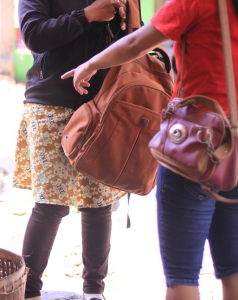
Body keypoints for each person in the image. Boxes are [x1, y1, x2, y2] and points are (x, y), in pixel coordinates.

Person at [61, 0, 238, 299]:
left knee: (182, 275)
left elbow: (136, 44)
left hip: (197, 144)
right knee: (233, 268)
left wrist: (91, 64)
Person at [13, 1, 131, 299]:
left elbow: (133, 45)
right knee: (50, 203)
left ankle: (94, 291)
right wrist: (88, 15)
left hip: (105, 104)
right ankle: (29, 290)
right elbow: (33, 35)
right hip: (50, 103)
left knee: (99, 203)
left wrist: (131, 19)